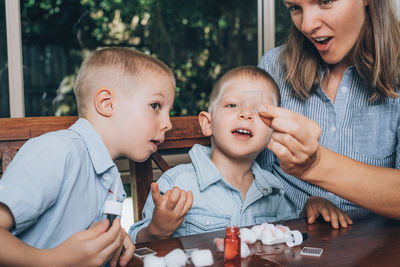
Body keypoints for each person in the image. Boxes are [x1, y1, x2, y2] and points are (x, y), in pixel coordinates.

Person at [129, 66, 352, 243]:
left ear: (272, 133)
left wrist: (308, 210)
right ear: (208, 124)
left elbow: (288, 239)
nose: (246, 114)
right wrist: (155, 231)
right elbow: (134, 246)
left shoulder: (274, 192)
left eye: (259, 110)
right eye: (233, 105)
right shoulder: (177, 184)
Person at [0, 47, 176, 266]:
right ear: (106, 103)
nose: (168, 123)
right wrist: (53, 261)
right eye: (155, 106)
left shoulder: (108, 175)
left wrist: (113, 241)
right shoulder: (58, 150)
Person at [257, 0, 400, 220]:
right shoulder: (273, 66)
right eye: (295, 8)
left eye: (324, 1)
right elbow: (257, 183)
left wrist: (316, 165)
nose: (306, 25)